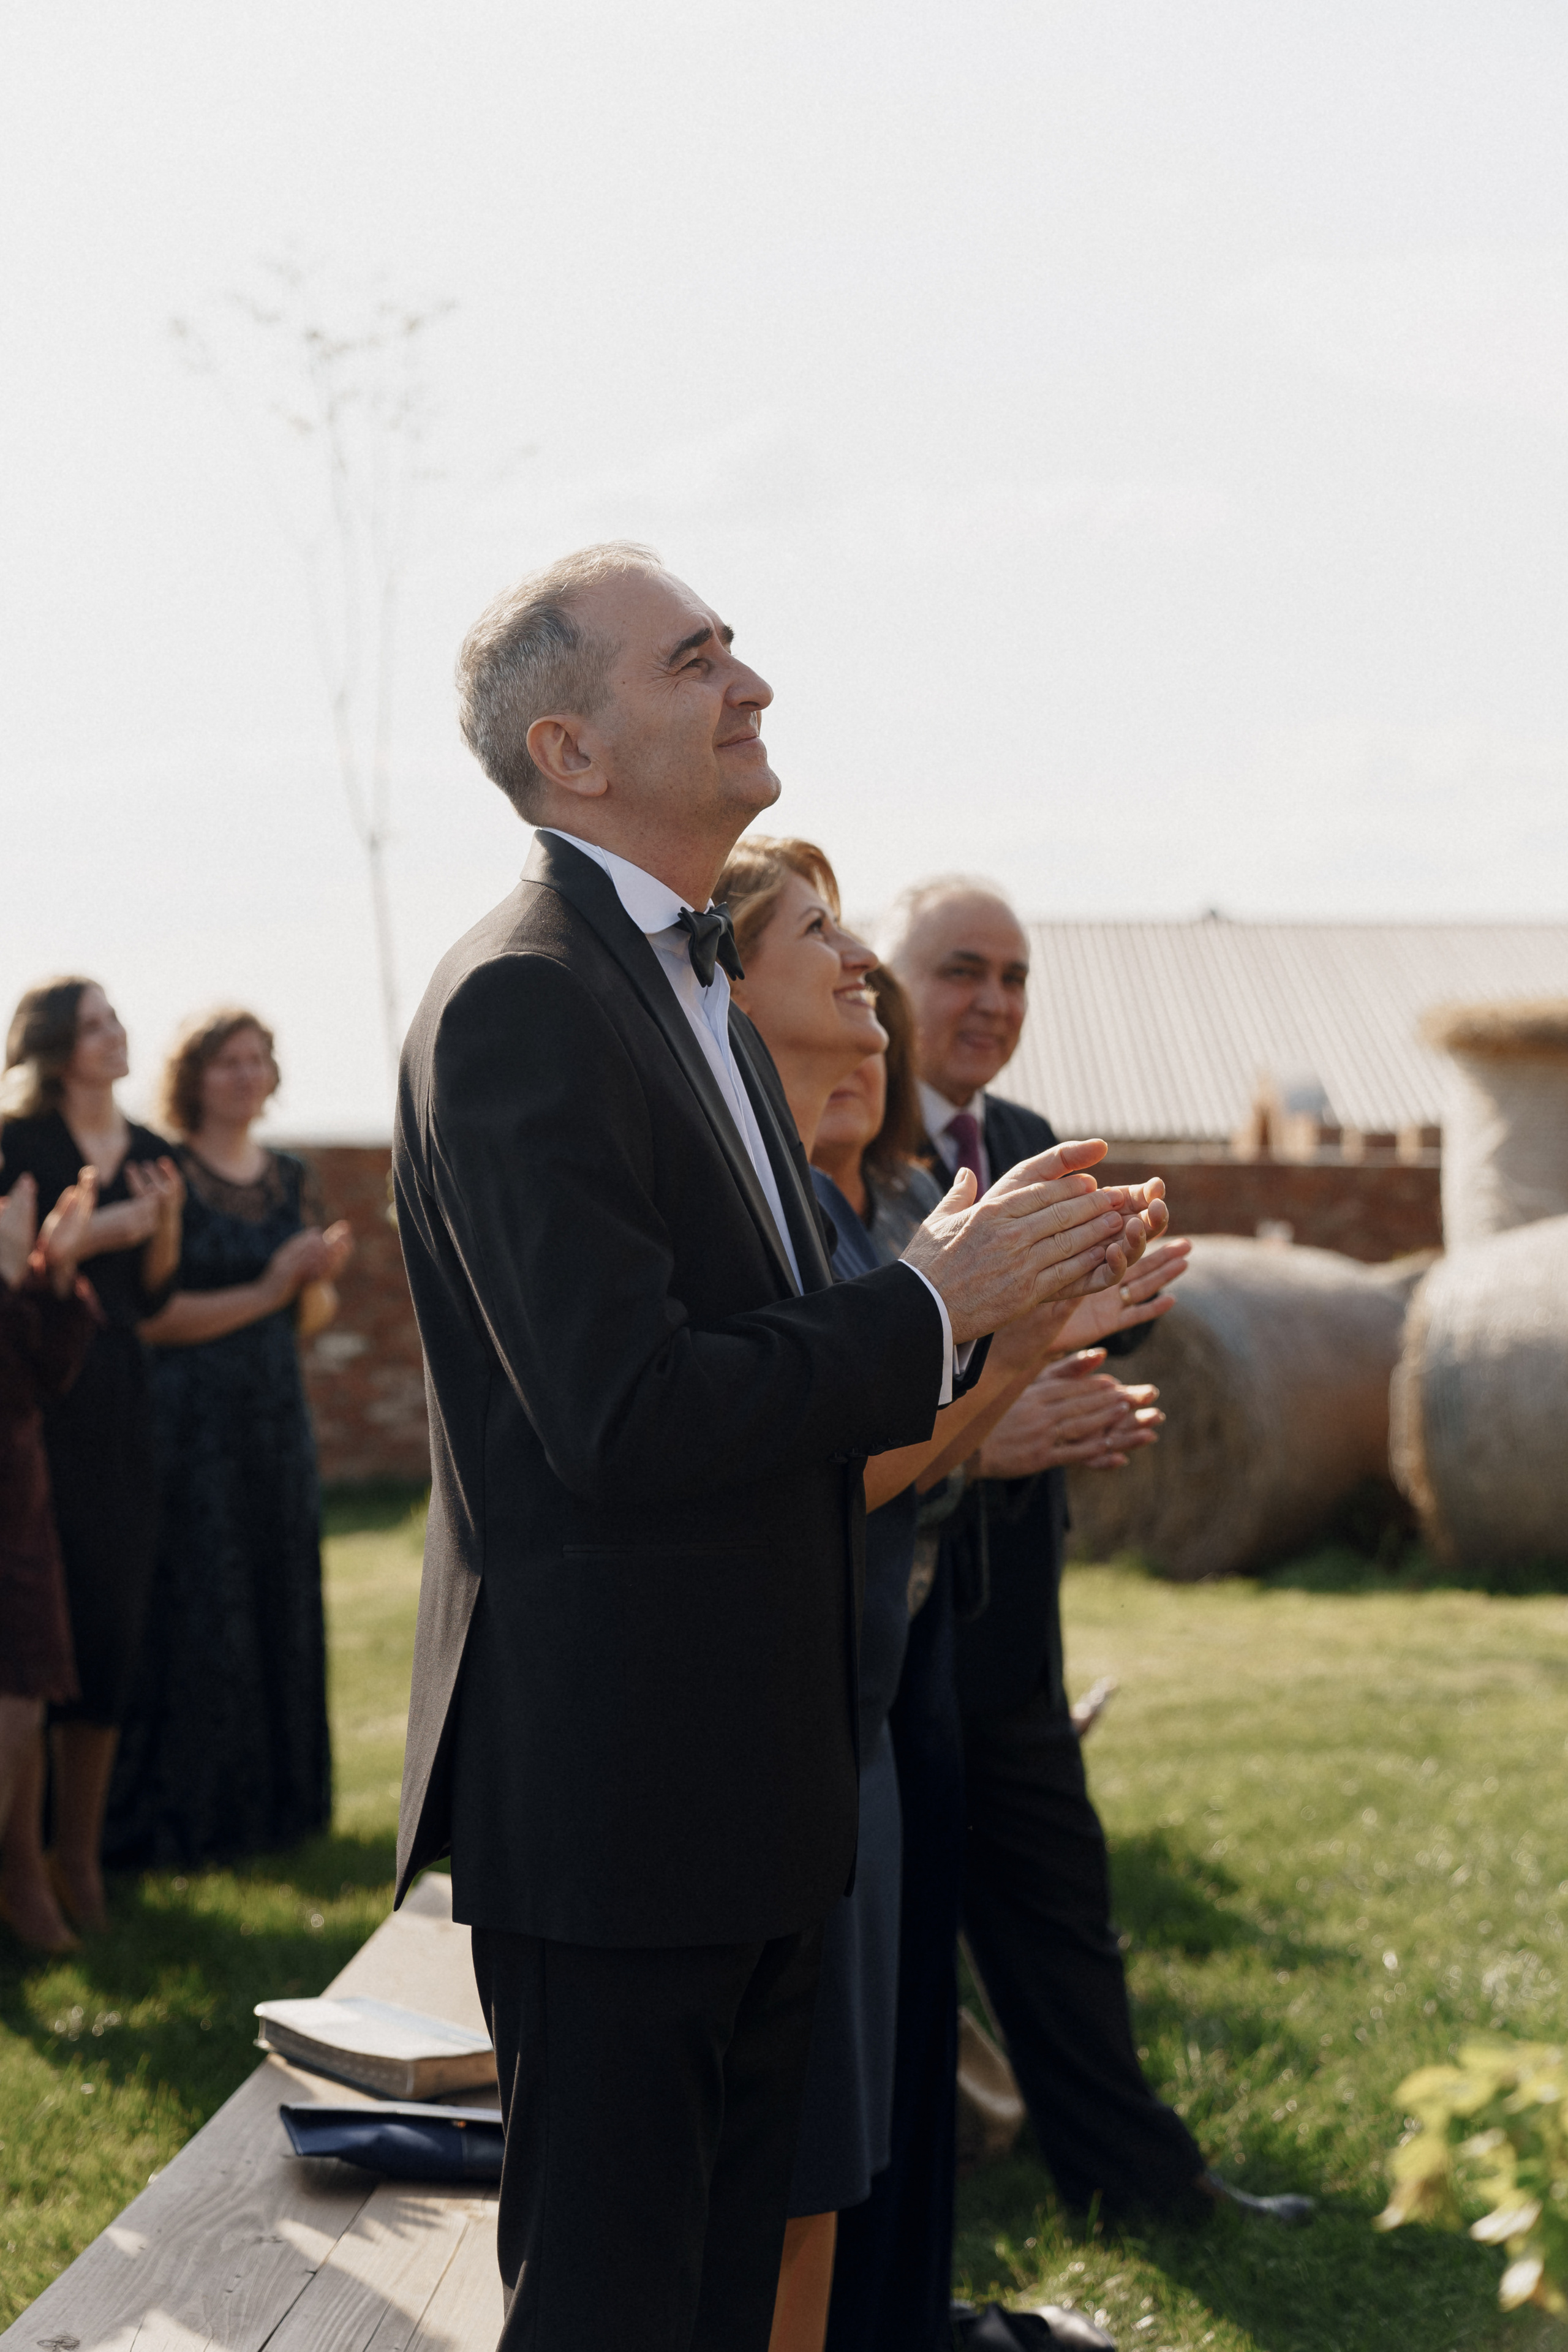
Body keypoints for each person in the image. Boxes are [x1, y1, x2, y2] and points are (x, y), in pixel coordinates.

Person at [393, 541, 1168, 2352]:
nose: (750, 684)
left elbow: (768, 1382)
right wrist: (933, 1300)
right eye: (696, 660)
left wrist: (996, 1320)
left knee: (736, 2292)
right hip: (618, 1796)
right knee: (612, 2299)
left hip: (756, 1778)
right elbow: (624, 1408)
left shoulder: (693, 1003)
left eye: (736, 648)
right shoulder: (523, 996)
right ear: (573, 750)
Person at [887, 880, 1311, 2299]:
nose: (992, 1002)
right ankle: (906, 2212)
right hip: (877, 1618)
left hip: (1009, 1608)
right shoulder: (829, 1135)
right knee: (896, 1934)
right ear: (884, 979)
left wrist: (1082, 1367)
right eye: (959, 970)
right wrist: (985, 1420)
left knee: (1058, 1901)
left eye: (1013, 976)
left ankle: (1135, 2176)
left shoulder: (1026, 1147)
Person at [717, 843, 1091, 2352]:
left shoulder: (821, 1206)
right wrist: (997, 1376)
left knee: (831, 2157)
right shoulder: (786, 1222)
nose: (861, 978)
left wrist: (1017, 1354)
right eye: (825, 941)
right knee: (791, 2171)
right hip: (790, 1731)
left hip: (852, 1713)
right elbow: (828, 1464)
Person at [104, 1010, 354, 1869]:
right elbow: (154, 1320)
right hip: (187, 1427)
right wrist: (273, 1281)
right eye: (227, 1062)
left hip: (275, 1422)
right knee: (203, 1608)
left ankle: (284, 1813)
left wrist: (314, 1285)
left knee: (279, 1598)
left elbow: (308, 1324)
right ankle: (198, 1824)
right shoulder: (161, 1171)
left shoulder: (291, 1178)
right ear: (194, 1077)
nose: (246, 1075)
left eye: (259, 1060)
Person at [0, 979, 184, 1940]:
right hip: (35, 1405)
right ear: (56, 1049)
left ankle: (80, 1852)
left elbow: (154, 1300)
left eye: (117, 1019)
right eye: (96, 1026)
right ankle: (22, 1868)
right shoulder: (16, 1147)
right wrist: (104, 1232)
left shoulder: (154, 1154)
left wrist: (161, 1231)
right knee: (37, 1642)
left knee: (108, 1628)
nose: (117, 1035)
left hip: (119, 1404)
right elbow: (18, 1279)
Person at [0, 1164, 98, 1950]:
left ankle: (24, 1881)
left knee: (23, 1694)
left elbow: (46, 1377)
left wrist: (51, 1276)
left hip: (16, 1504)